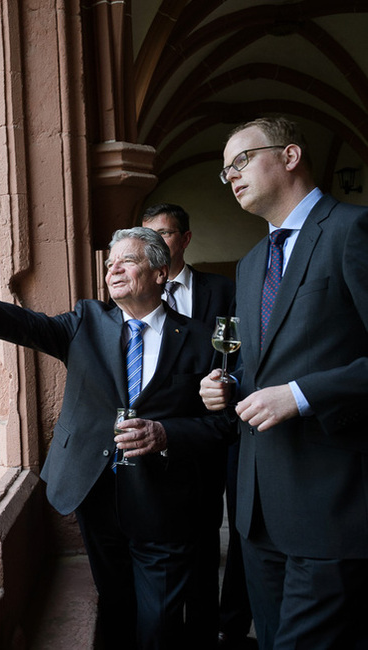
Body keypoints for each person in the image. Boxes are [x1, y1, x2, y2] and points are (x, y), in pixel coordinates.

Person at [0, 227, 233, 649]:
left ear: (161, 273)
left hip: (165, 501)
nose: (114, 269)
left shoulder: (198, 337)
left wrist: (165, 433)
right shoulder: (87, 321)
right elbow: (28, 326)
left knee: (160, 622)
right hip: (95, 492)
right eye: (110, 263)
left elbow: (220, 425)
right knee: (117, 606)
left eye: (128, 260)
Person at [200, 116, 368, 649]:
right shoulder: (250, 265)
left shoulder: (352, 229)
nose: (231, 178)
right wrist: (229, 388)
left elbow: (296, 383)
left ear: (290, 156)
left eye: (241, 161)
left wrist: (300, 396)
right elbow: (262, 368)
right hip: (257, 512)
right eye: (225, 172)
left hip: (331, 504)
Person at [142, 204, 248, 647]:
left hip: (214, 431)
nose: (155, 246)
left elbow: (242, 353)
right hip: (156, 439)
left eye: (164, 235)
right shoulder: (132, 293)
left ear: (185, 239)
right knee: (167, 541)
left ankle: (217, 627)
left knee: (214, 531)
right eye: (146, 238)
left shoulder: (222, 290)